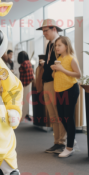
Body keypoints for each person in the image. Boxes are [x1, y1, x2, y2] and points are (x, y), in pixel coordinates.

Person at [36, 19, 66, 154]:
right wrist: (45, 64)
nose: (44, 34)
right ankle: (57, 142)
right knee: (53, 114)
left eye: (45, 31)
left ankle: (63, 142)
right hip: (48, 81)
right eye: (42, 31)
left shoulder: (62, 42)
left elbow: (64, 62)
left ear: (54, 29)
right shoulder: (49, 44)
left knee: (59, 113)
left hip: (57, 81)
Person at [50, 36, 81, 158]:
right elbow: (57, 76)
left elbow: (78, 74)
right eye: (56, 45)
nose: (56, 47)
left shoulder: (71, 59)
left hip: (70, 89)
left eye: (59, 45)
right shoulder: (58, 59)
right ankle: (71, 139)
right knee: (62, 117)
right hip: (60, 90)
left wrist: (61, 69)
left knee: (68, 117)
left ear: (66, 46)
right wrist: (55, 71)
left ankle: (69, 148)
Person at [17, 51, 34, 121]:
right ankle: (26, 114)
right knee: (26, 100)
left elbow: (25, 72)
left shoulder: (24, 64)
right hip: (29, 83)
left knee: (24, 101)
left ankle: (22, 117)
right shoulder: (28, 62)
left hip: (25, 84)